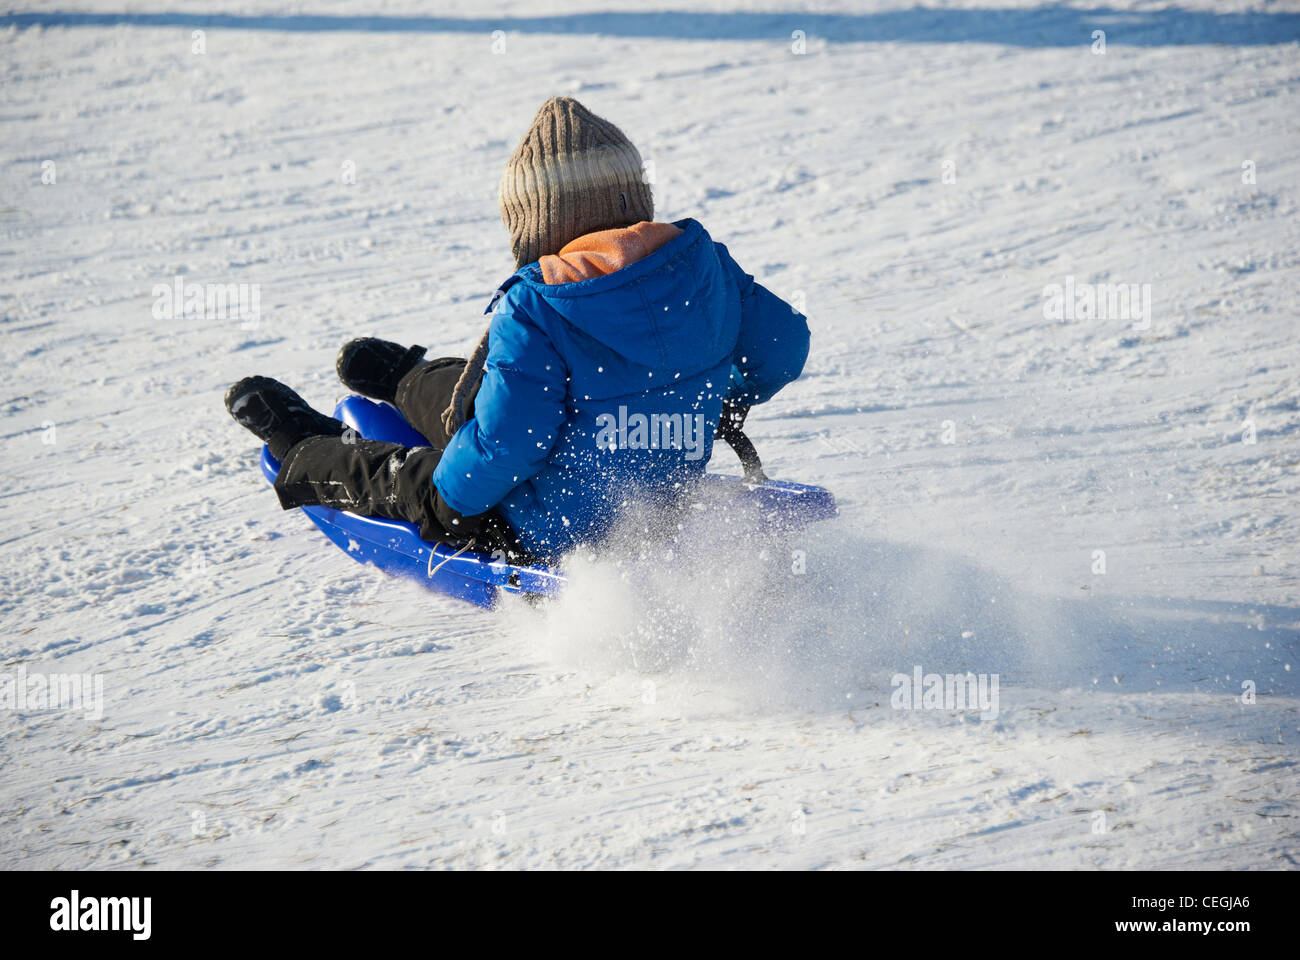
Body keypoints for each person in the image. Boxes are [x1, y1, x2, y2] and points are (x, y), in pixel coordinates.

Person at [225, 96, 810, 558]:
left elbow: (512, 443)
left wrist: (446, 500)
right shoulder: (704, 265)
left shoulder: (540, 305)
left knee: (411, 478)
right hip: (661, 498)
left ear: (536, 223)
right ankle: (407, 378)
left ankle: (301, 445)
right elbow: (784, 348)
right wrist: (711, 401)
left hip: (545, 527)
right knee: (480, 396)